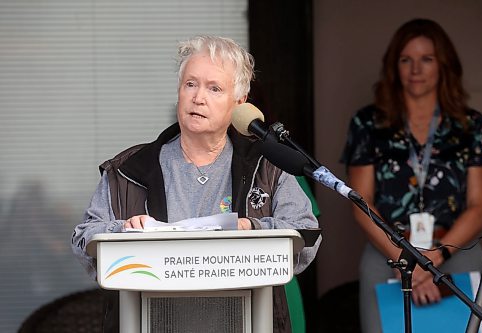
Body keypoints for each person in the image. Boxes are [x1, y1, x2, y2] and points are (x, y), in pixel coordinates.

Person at [71, 35, 321, 333]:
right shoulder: (129, 169)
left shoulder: (267, 166)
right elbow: (83, 239)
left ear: (239, 103)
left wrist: (254, 230)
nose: (198, 97)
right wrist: (124, 230)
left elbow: (306, 236)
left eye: (214, 88)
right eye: (191, 84)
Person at [340, 18, 482, 333]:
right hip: (388, 252)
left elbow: (479, 206)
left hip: (456, 253)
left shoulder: (472, 126)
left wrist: (432, 259)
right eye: (405, 59)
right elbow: (360, 202)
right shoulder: (368, 124)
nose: (415, 69)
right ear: (393, 66)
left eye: (426, 59)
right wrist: (406, 260)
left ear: (444, 65)